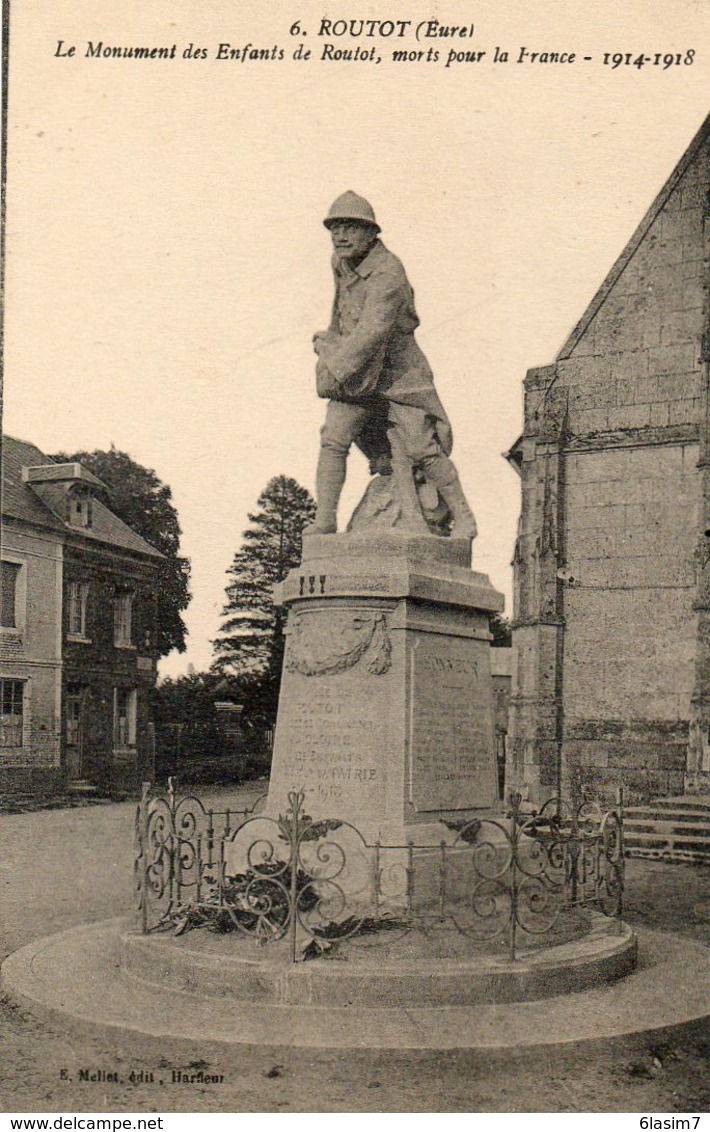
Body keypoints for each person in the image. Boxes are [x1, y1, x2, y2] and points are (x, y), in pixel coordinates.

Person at [310, 191, 477, 538]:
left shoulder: (388, 272)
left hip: (397, 372)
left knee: (422, 447)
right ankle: (325, 519)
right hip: (358, 376)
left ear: (371, 234)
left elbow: (373, 332)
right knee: (333, 438)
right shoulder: (340, 262)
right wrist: (330, 340)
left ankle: (464, 519)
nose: (340, 236)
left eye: (351, 229)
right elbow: (342, 316)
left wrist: (333, 367)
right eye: (335, 228)